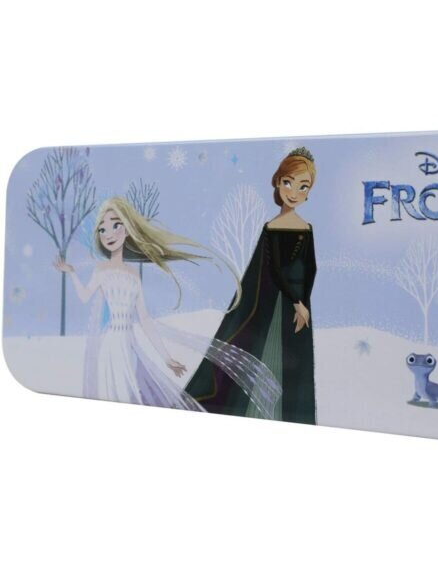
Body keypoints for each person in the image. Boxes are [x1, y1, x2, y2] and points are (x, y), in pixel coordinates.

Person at [55, 196, 281, 416]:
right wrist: (72, 274)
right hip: (110, 345)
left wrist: (166, 358)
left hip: (128, 346)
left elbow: (145, 319)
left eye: (116, 225)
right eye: (102, 229)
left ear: (128, 229)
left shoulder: (133, 275)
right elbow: (84, 296)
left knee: (129, 394)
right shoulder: (101, 270)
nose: (109, 234)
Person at [185, 147, 318, 424]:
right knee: (267, 351)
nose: (294, 192)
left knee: (294, 361)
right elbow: (276, 270)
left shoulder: (306, 228)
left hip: (299, 305)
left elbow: (311, 268)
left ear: (308, 192)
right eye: (288, 182)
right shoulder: (272, 227)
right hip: (278, 302)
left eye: (303, 186)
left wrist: (304, 301)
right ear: (278, 182)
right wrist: (297, 301)